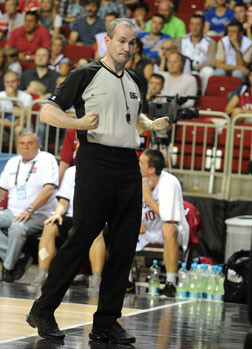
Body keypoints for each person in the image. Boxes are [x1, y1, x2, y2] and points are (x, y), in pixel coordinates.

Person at [26, 18, 169, 342]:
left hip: (128, 164)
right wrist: (76, 122)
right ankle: (43, 310)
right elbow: (47, 112)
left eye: (131, 43)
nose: (126, 48)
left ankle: (106, 322)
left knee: (123, 243)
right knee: (83, 235)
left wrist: (150, 124)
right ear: (107, 40)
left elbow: (133, 119)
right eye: (121, 41)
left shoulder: (134, 80)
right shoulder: (85, 74)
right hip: (95, 160)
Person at [89, 149, 190, 298]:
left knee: (167, 228)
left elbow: (167, 217)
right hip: (146, 231)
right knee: (124, 227)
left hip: (171, 231)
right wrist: (136, 219)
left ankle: (170, 283)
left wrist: (147, 196)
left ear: (151, 169)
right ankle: (126, 281)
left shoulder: (169, 183)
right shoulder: (134, 178)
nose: (137, 164)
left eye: (141, 162)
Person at [0, 129, 58, 282]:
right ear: (17, 146)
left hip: (40, 214)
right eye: (22, 143)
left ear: (38, 144)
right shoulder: (13, 162)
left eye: (30, 143)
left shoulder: (47, 159)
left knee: (17, 227)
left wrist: (30, 209)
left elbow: (49, 189)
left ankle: (8, 269)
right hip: (12, 212)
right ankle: (20, 258)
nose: (25, 147)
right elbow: (0, 191)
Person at [31, 163, 76, 286]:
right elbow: (63, 200)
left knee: (97, 231)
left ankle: (96, 279)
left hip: (97, 218)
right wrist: (57, 213)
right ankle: (42, 272)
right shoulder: (71, 171)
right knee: (49, 225)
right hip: (72, 216)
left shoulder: (106, 170)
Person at [0, 71, 33, 151]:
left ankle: (21, 158)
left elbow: (25, 118)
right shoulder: (0, 96)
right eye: (7, 82)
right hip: (4, 127)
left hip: (22, 128)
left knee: (18, 129)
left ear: (18, 82)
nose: (10, 85)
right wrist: (11, 124)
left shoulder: (26, 97)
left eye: (13, 82)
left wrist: (13, 98)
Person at [176, 14, 216, 94]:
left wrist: (197, 67)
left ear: (203, 26)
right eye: (192, 24)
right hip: (183, 69)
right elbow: (176, 56)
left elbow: (211, 62)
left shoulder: (210, 42)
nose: (194, 28)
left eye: (198, 24)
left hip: (200, 70)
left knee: (208, 71)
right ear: (189, 25)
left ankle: (204, 95)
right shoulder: (181, 40)